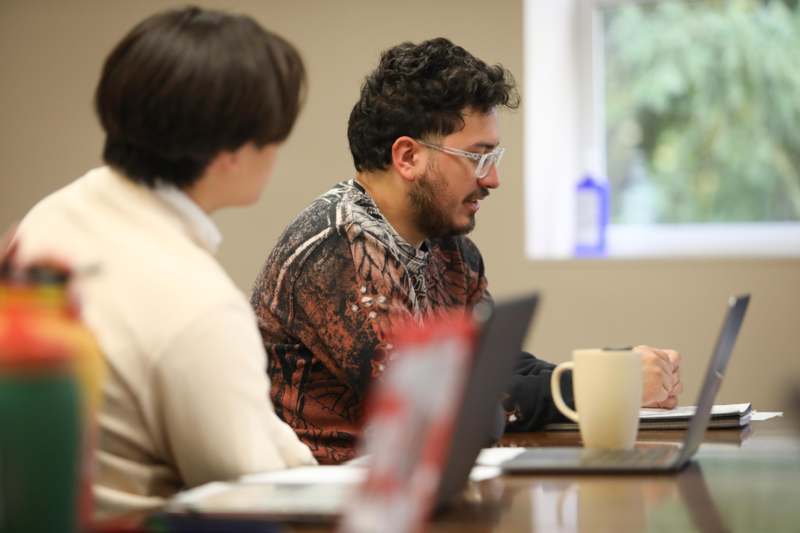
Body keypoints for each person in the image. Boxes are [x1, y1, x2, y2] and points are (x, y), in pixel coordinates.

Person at [251, 38, 682, 465]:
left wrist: (610, 373)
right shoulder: (338, 252)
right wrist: (598, 386)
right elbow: (442, 407)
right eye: (478, 157)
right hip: (330, 510)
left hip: (422, 497)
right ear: (408, 157)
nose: (493, 179)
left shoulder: (450, 249)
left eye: (494, 157)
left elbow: (494, 369)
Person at [12, 6, 315, 518]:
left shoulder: (47, 219)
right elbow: (256, 495)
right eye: (274, 133)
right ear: (229, 154)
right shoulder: (198, 304)